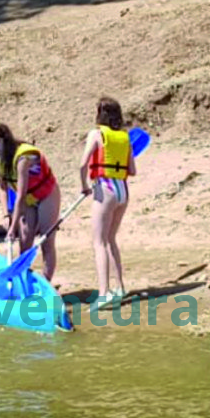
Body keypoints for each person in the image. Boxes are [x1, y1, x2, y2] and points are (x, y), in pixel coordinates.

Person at [78, 98, 134, 305]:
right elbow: (133, 171)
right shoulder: (124, 137)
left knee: (99, 242)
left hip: (106, 189)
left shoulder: (96, 134)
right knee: (111, 239)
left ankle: (104, 293)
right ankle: (120, 287)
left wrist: (83, 185)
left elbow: (82, 165)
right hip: (122, 191)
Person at [0, 123, 61, 280]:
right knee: (25, 241)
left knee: (46, 241)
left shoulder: (22, 159)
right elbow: (3, 189)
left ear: (6, 141)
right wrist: (7, 217)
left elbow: (19, 195)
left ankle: (47, 282)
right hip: (29, 200)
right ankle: (23, 281)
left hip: (46, 195)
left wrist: (13, 227)